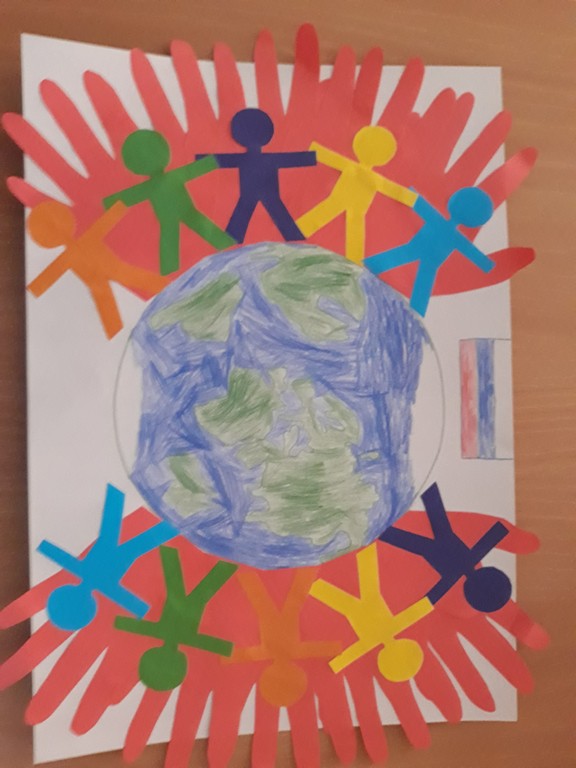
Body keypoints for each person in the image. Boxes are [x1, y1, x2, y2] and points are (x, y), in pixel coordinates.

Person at [39, 485, 176, 631]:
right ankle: (176, 521)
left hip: (113, 553)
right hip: (112, 554)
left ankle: (175, 521)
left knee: (134, 540)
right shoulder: (95, 580)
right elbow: (138, 607)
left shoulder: (104, 586)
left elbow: (138, 606)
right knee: (130, 539)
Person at [27, 200, 166, 338]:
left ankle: (117, 336)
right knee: (110, 305)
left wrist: (121, 206)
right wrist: (121, 205)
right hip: (104, 280)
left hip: (110, 275)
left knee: (112, 303)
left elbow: (40, 284)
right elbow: (39, 284)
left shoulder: (70, 254)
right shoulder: (74, 250)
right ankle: (117, 337)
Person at [104, 129, 235, 275]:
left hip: (177, 214)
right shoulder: (170, 178)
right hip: (184, 212)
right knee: (191, 229)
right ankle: (225, 245)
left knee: (172, 237)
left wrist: (109, 202)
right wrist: (212, 161)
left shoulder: (152, 185)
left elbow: (129, 196)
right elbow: (197, 168)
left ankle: (171, 270)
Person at [115, 546, 237, 691]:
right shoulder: (160, 632)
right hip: (189, 586)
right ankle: (170, 553)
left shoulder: (192, 640)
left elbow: (221, 646)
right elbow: (124, 623)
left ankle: (172, 553)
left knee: (199, 589)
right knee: (194, 588)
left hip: (191, 583)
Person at [380, 483, 512, 612]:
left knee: (413, 530)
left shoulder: (472, 558)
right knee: (402, 536)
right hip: (437, 544)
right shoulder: (455, 574)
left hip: (437, 545)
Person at [364, 187, 495, 316]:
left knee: (393, 260)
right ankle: (416, 313)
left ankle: (364, 269)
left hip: (417, 252)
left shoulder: (438, 220)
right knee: (422, 284)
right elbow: (472, 253)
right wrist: (486, 264)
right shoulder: (456, 237)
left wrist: (410, 194)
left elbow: (418, 204)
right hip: (426, 258)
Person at [310, 544, 432, 681]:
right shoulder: (383, 634)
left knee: (360, 592)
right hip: (364, 604)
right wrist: (338, 664)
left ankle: (314, 584)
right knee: (353, 597)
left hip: (363, 604)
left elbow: (417, 611)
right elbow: (417, 611)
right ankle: (313, 585)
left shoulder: (394, 627)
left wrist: (338, 664)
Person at [296, 125, 417, 264]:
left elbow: (329, 157)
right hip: (352, 204)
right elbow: (391, 188)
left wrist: (315, 151)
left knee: (329, 213)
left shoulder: (357, 170)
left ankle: (298, 231)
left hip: (342, 200)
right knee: (353, 225)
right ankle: (354, 259)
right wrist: (409, 197)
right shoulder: (373, 178)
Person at [197, 108, 316, 242]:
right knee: (274, 212)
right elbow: (292, 159)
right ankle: (293, 237)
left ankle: (231, 240)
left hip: (255, 192)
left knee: (249, 214)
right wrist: (311, 157)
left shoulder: (248, 159)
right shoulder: (267, 158)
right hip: (263, 192)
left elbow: (220, 160)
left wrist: (201, 160)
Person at [230, 569, 340, 707]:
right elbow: (331, 648)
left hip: (277, 584)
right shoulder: (272, 653)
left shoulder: (274, 653)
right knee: (257, 587)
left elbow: (330, 648)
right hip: (276, 585)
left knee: (258, 587)